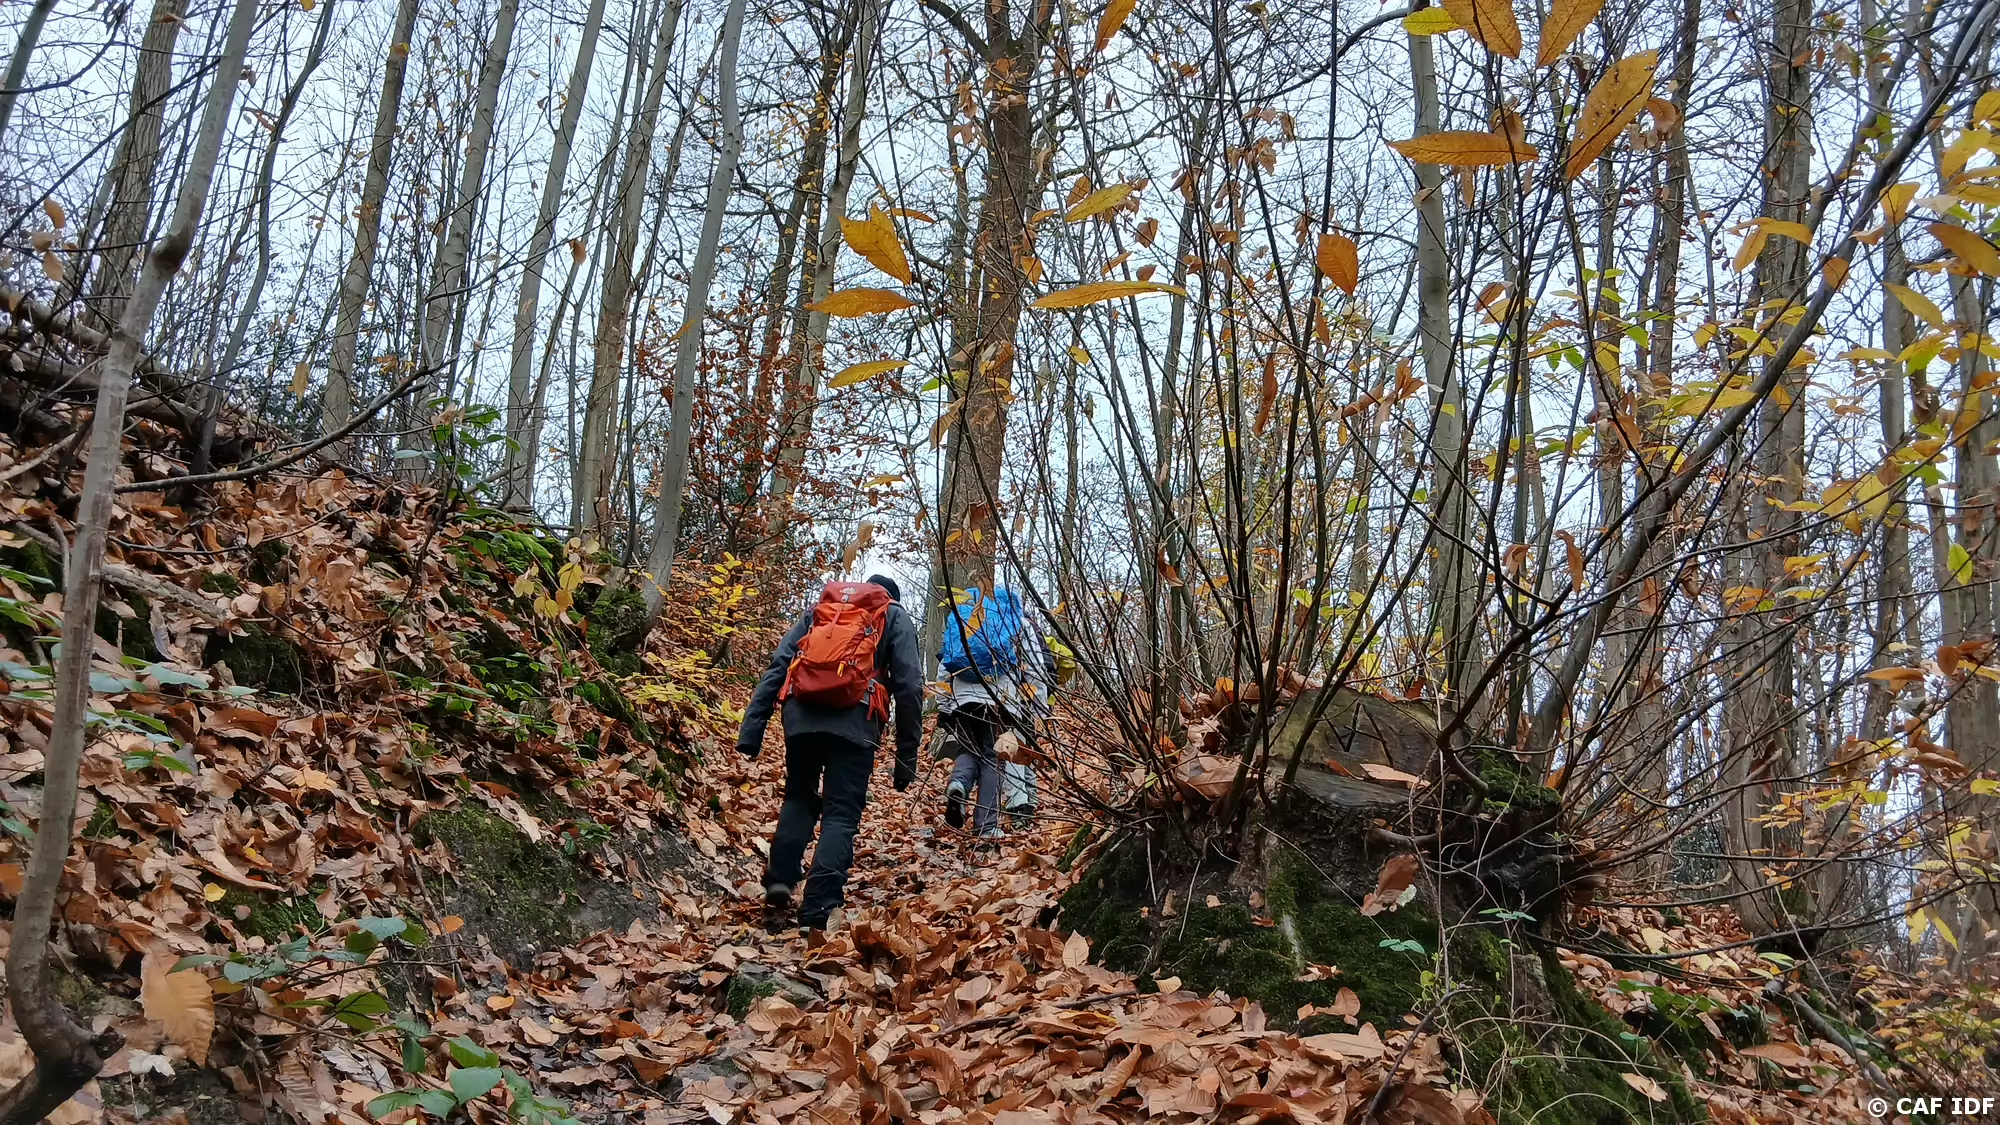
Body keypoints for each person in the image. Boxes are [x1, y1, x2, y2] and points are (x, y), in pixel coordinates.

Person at [737, 574, 922, 932]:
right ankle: (819, 908)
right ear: (891, 596)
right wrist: (906, 757)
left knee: (799, 796)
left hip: (801, 714)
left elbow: (780, 665)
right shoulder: (893, 614)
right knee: (840, 812)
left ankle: (779, 882)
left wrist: (752, 730)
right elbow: (910, 686)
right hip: (855, 719)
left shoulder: (821, 611)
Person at [936, 585, 1042, 840]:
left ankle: (959, 783)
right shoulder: (1015, 621)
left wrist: (944, 705)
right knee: (993, 757)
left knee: (968, 750)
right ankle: (986, 826)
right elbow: (1035, 668)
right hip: (999, 697)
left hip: (962, 696)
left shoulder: (963, 617)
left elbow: (945, 665)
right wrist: (1039, 707)